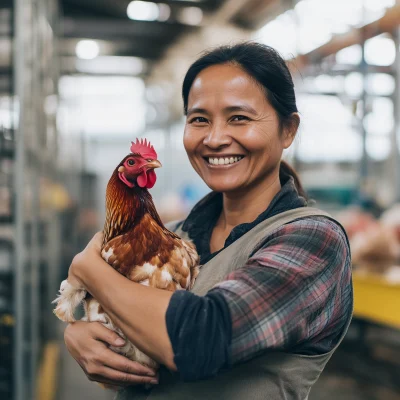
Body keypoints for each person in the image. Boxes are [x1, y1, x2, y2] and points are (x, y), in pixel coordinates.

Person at [64, 42, 353, 399]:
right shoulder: (179, 236)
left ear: (288, 130)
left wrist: (88, 267)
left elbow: (201, 338)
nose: (215, 139)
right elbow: (121, 314)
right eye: (199, 119)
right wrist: (80, 333)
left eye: (239, 118)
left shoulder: (314, 240)